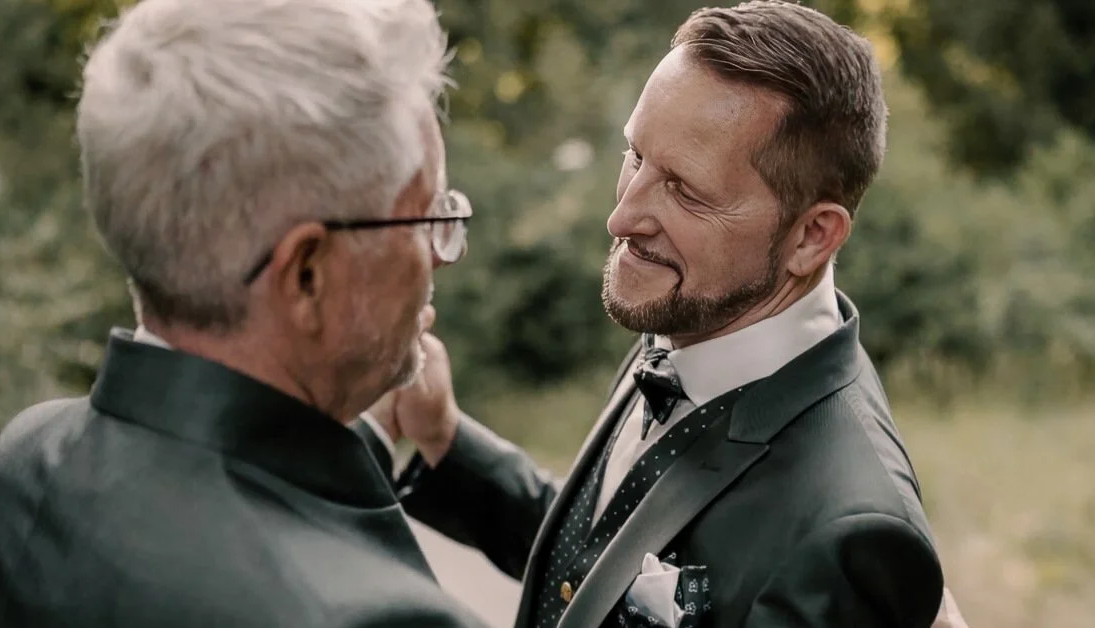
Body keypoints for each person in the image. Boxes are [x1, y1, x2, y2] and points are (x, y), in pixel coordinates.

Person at [373, 2, 961, 627]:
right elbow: (598, 570)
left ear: (812, 236)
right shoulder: (690, 323)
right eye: (634, 156)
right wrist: (444, 437)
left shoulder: (851, 539)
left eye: (684, 189)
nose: (621, 217)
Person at [0, 0, 484, 626]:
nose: (444, 256)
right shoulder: (374, 616)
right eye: (428, 219)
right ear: (306, 274)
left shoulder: (25, 465)